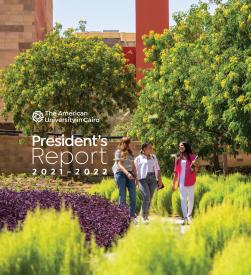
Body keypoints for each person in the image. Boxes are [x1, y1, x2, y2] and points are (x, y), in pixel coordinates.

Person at [134, 142, 163, 223]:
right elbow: (135, 170)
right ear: (144, 149)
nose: (151, 149)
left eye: (152, 148)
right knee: (146, 196)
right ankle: (144, 216)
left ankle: (145, 215)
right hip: (143, 179)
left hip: (153, 178)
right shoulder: (138, 158)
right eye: (150, 148)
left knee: (149, 198)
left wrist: (160, 180)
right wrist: (136, 181)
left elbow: (158, 169)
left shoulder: (154, 157)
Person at [172, 141, 199, 225]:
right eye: (179, 146)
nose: (180, 147)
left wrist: (194, 165)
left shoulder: (193, 156)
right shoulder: (178, 157)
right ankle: (184, 218)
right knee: (183, 200)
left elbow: (196, 170)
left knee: (191, 199)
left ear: (186, 146)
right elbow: (176, 171)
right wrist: (174, 184)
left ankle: (189, 215)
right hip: (181, 182)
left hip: (191, 181)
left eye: (182, 145)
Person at [113, 137, 137, 222]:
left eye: (129, 143)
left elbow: (133, 165)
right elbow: (119, 164)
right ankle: (122, 217)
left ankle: (132, 216)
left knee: (133, 196)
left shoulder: (130, 153)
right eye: (127, 143)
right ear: (123, 143)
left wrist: (135, 176)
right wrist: (127, 173)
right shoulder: (118, 152)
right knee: (122, 196)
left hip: (130, 174)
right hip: (121, 174)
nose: (129, 145)